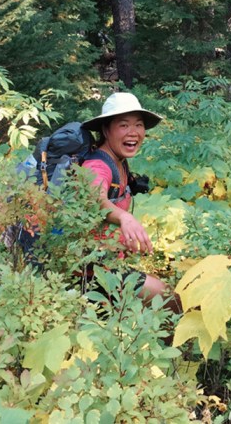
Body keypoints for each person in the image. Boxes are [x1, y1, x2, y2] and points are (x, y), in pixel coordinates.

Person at [80, 92, 178, 310]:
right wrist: (124, 217)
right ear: (106, 129)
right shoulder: (97, 166)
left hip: (107, 262)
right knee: (169, 298)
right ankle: (176, 345)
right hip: (89, 271)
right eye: (123, 125)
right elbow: (94, 199)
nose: (133, 132)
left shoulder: (118, 161)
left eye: (139, 125)